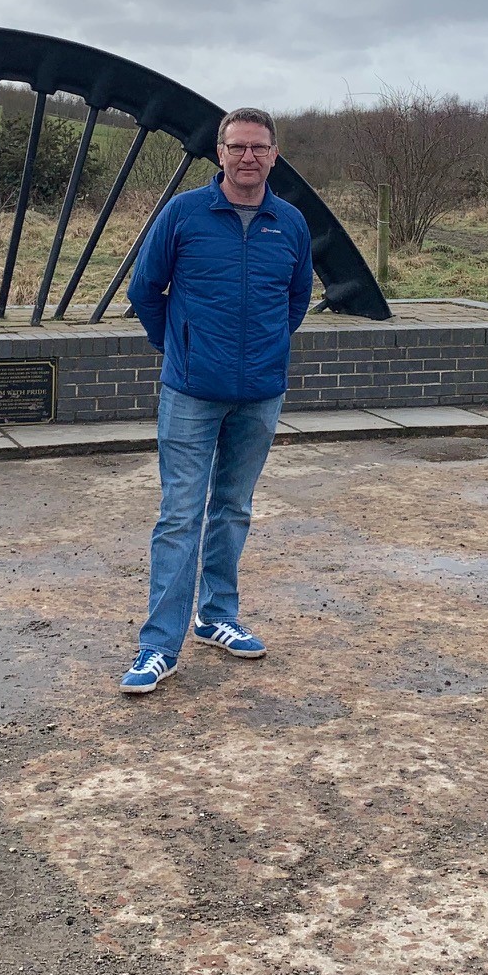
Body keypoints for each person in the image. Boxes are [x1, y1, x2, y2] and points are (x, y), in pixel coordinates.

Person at [119, 107, 314, 694]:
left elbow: (297, 298)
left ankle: (217, 615)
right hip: (191, 392)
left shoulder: (292, 224)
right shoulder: (184, 214)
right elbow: (144, 289)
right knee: (180, 514)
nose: (247, 157)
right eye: (237, 147)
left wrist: (268, 351)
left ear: (273, 155)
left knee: (233, 507)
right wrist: (179, 346)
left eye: (258, 147)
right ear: (220, 154)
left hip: (259, 393)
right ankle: (158, 646)